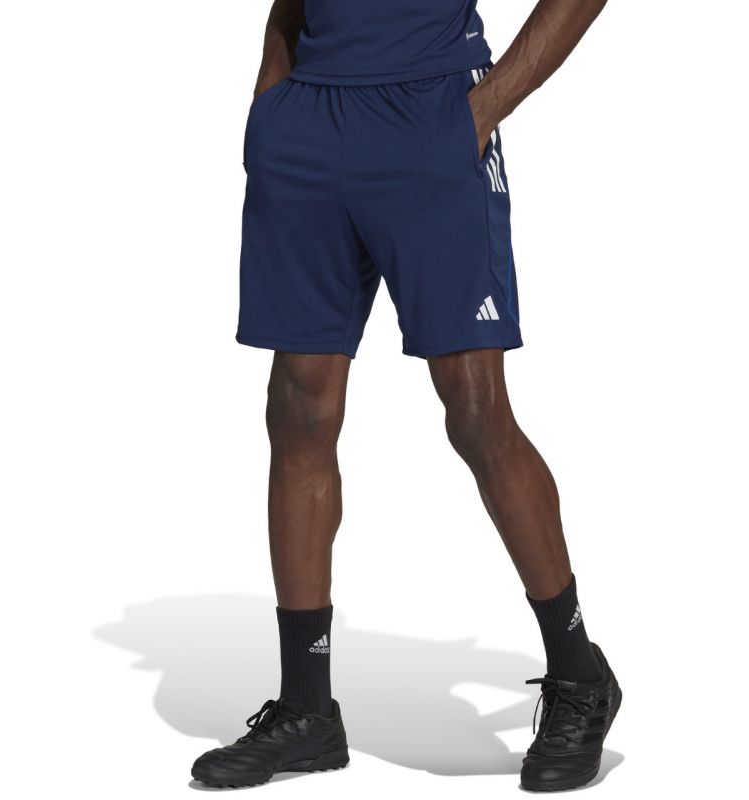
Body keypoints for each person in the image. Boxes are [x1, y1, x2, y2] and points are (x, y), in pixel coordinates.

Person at [191, 0, 620, 792]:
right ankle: (306, 710)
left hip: (432, 109)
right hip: (309, 120)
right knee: (298, 407)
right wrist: (272, 98)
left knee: (476, 412)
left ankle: (579, 674)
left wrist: (482, 109)